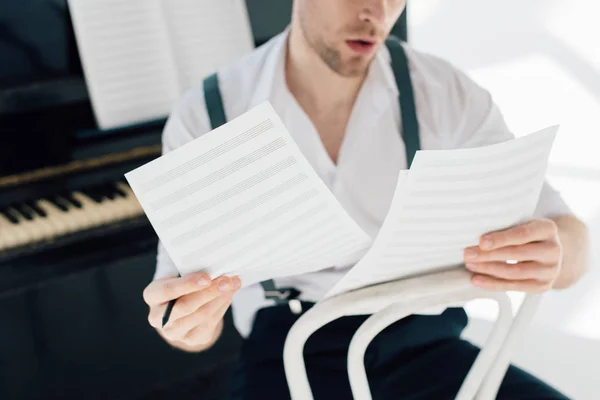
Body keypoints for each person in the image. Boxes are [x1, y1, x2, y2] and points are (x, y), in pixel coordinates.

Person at [142, 0, 589, 398]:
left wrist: (556, 255)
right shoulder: (207, 112)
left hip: (426, 347)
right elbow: (179, 312)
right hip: (289, 355)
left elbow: (567, 237)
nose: (377, 12)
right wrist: (189, 325)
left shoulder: (446, 92)